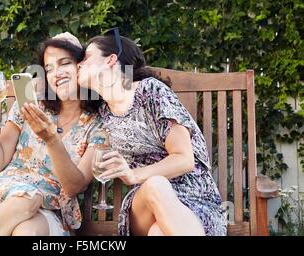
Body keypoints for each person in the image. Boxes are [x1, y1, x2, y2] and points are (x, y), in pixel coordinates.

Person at [76, 31, 227, 236]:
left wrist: (133, 175)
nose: (79, 64)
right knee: (156, 185)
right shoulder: (104, 113)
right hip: (144, 202)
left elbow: (184, 160)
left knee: (158, 233)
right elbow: (58, 79)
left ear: (111, 60)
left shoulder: (151, 92)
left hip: (196, 201)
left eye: (86, 58)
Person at [0, 33, 102, 236]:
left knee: (28, 230)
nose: (57, 73)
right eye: (49, 68)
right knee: (28, 198)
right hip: (2, 195)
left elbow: (73, 187)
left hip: (51, 210)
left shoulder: (97, 124)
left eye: (64, 63)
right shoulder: (31, 105)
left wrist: (51, 139)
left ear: (81, 67)